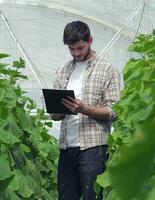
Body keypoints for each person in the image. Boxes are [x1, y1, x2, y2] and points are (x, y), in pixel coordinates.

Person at [50, 21, 121, 200]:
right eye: (72, 49)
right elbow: (54, 116)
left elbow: (114, 110)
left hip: (93, 148)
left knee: (93, 196)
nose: (77, 53)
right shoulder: (62, 71)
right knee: (66, 196)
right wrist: (61, 109)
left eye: (80, 48)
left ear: (90, 40)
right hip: (67, 147)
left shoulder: (107, 70)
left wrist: (84, 109)